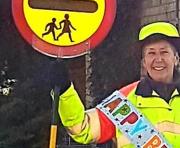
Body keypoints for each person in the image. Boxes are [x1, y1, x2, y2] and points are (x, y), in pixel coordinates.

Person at [50, 22, 180, 147]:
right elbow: (82, 128)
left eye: (164, 52)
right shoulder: (123, 101)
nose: (158, 59)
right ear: (144, 62)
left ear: (176, 59)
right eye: (151, 53)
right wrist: (65, 90)